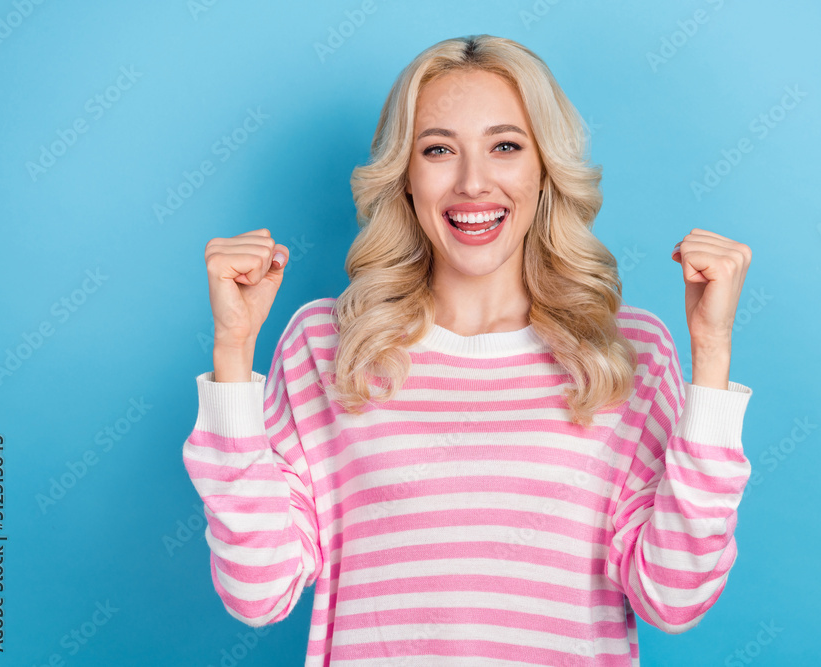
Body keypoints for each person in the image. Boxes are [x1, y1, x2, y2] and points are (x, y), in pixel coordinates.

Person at [183, 33, 753, 666]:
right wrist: (233, 354)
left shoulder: (625, 354)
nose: (473, 182)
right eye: (438, 150)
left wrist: (712, 353)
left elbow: (673, 599)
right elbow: (256, 591)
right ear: (404, 178)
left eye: (505, 147)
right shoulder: (327, 345)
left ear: (544, 172)